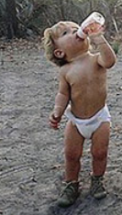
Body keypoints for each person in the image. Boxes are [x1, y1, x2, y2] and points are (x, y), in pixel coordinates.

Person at [42, 20, 117, 207]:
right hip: (75, 121)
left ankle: (97, 179)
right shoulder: (65, 70)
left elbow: (110, 61)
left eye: (76, 28)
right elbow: (63, 94)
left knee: (99, 152)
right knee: (71, 154)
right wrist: (57, 111)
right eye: (67, 33)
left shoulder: (95, 59)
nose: (76, 31)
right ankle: (71, 184)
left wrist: (99, 38)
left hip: (100, 118)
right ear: (59, 52)